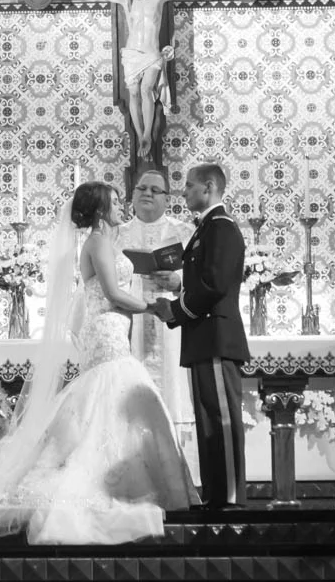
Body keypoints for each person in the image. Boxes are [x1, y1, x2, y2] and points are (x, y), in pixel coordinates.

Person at [0, 182, 199, 544]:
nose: (122, 206)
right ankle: (111, 483)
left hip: (113, 326)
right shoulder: (98, 243)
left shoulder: (106, 241)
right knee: (110, 390)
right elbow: (113, 293)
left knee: (110, 395)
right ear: (100, 209)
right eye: (115, 201)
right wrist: (153, 308)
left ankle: (128, 481)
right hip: (105, 328)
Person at [51, 0, 233, 159]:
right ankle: (140, 136)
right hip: (132, 54)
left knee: (146, 89)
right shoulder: (126, 0)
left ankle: (147, 134)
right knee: (134, 93)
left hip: (151, 53)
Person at [153, 163, 249, 510]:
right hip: (203, 336)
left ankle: (229, 498)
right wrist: (178, 291)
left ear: (209, 187)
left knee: (221, 418)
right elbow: (203, 280)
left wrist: (175, 310)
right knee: (208, 419)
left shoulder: (220, 227)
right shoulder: (207, 228)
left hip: (216, 335)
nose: (184, 191)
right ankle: (215, 495)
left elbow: (215, 285)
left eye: (190, 185)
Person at [115, 170, 199, 483]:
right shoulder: (117, 234)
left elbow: (203, 278)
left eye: (155, 190)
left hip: (172, 329)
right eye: (142, 188)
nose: (147, 194)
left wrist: (179, 281)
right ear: (132, 195)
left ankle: (179, 478)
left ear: (167, 198)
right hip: (129, 326)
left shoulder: (184, 233)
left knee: (173, 393)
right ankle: (134, 477)